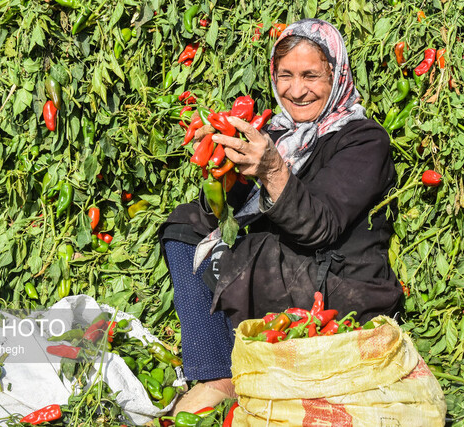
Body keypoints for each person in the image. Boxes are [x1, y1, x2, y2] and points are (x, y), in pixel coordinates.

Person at [159, 18, 404, 413]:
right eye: (285, 75)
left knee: (259, 256)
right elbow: (241, 213)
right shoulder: (276, 131)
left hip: (332, 280)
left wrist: (274, 169)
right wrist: (223, 171)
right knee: (186, 225)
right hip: (278, 267)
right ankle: (216, 370)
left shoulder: (363, 139)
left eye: (311, 76)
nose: (295, 89)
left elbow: (320, 226)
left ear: (336, 75)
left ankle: (229, 373)